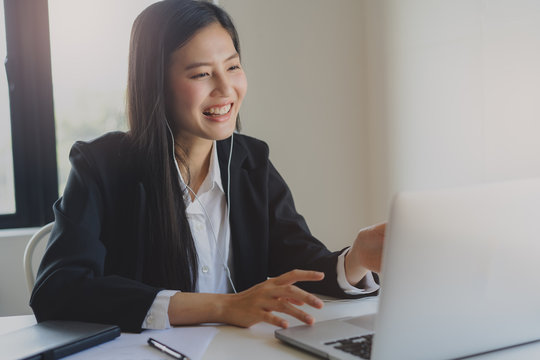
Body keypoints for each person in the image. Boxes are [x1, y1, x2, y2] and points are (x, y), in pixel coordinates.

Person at [30, 0, 385, 333]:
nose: (226, 88)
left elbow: (298, 264)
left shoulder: (251, 162)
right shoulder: (101, 167)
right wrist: (221, 307)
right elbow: (58, 290)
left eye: (232, 66)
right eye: (201, 74)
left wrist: (356, 259)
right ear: (156, 84)